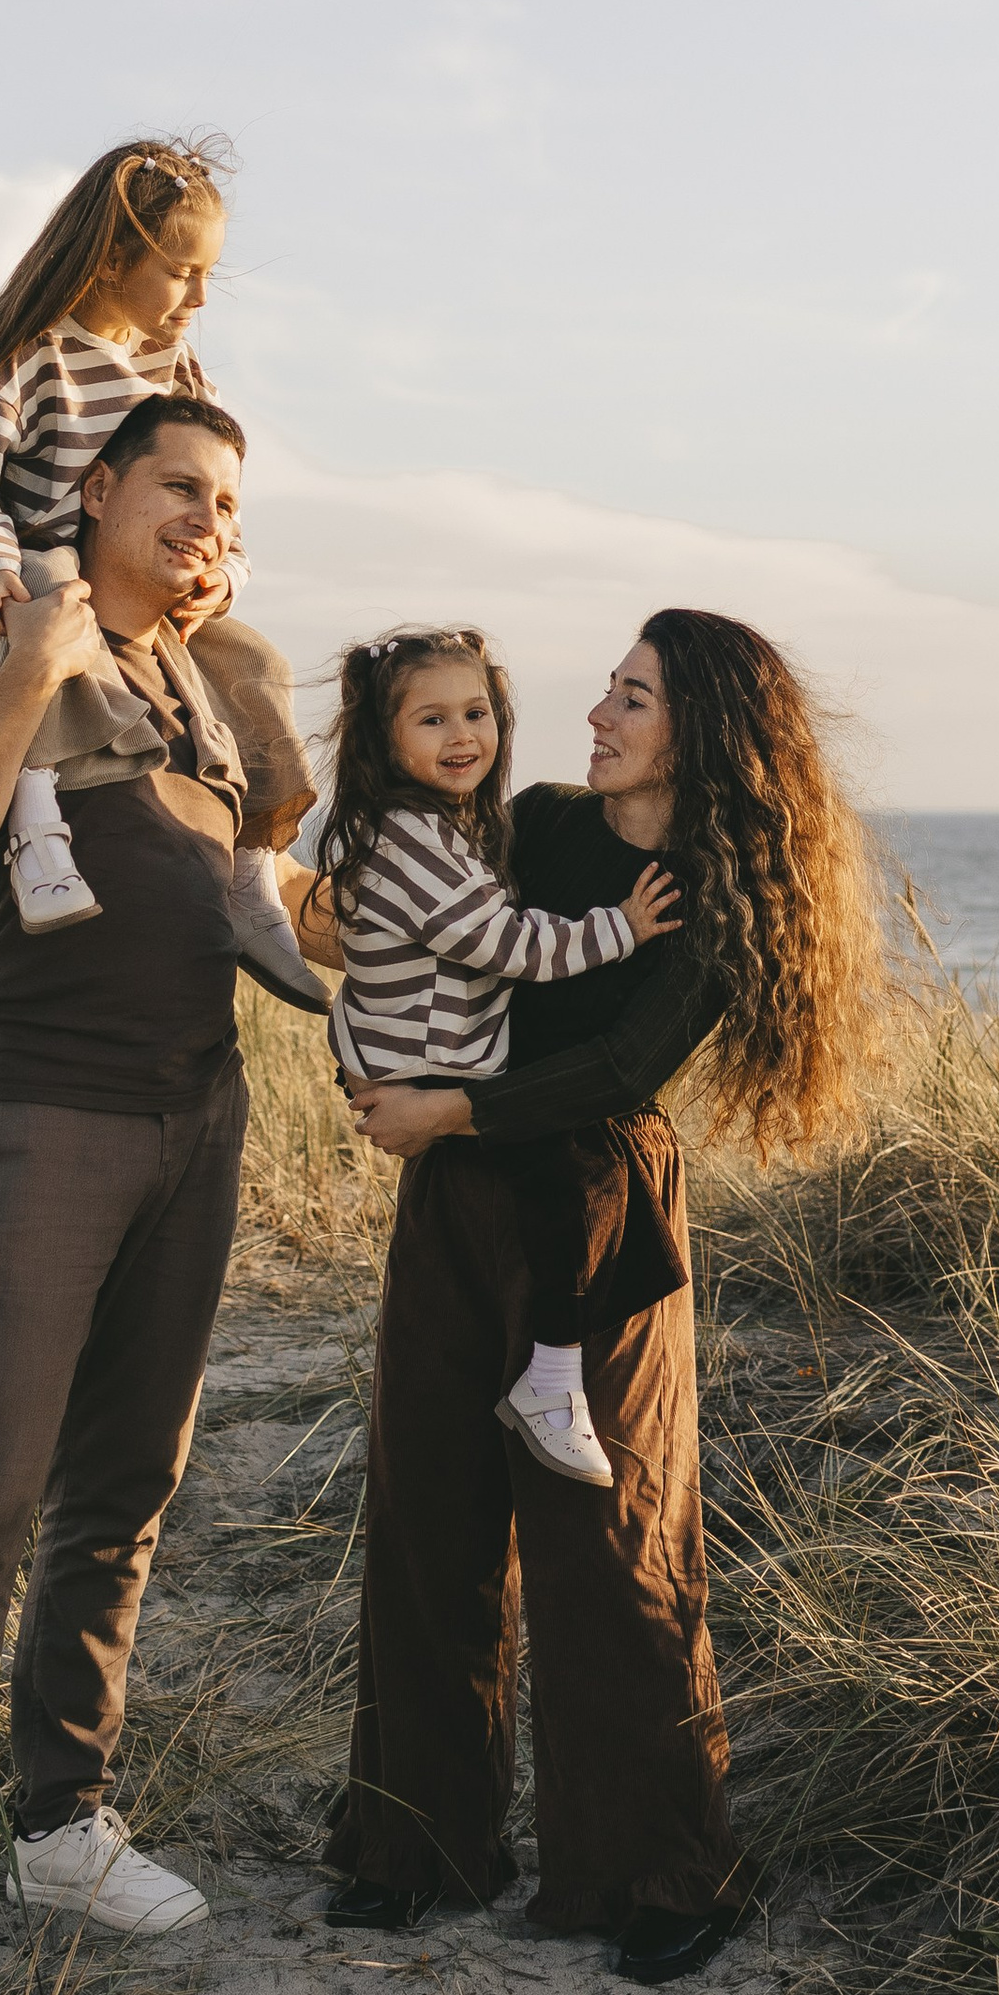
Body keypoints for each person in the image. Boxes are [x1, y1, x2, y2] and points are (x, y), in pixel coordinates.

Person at [0, 392, 319, 1995]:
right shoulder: (8, 643)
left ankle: (59, 1825)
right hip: (40, 1116)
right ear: (96, 488)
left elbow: (252, 899)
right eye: (180, 486)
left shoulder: (204, 686)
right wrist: (35, 666)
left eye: (230, 505)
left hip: (199, 1118)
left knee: (124, 1489)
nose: (208, 521)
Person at [320, 608, 886, 1985]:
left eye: (633, 696)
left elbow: (622, 1068)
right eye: (609, 689)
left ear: (702, 730)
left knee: (614, 1547)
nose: (597, 713)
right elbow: (426, 935)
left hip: (596, 1216)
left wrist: (451, 1110)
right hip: (457, 1203)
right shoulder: (540, 824)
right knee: (427, 1518)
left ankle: (658, 1872)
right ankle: (415, 1846)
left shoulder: (716, 882)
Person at [0, 134, 324, 1006]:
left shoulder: (177, 372)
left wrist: (223, 575)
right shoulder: (31, 360)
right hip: (20, 564)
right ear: (110, 262)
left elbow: (217, 500)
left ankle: (253, 866)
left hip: (134, 593)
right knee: (57, 618)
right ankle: (37, 830)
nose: (200, 298)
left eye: (208, 275)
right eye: (182, 272)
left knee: (256, 662)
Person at [321, 626, 683, 1486]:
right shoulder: (446, 834)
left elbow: (624, 1063)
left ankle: (552, 1379)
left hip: (452, 1079)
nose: (462, 736)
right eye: (432, 720)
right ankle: (551, 1381)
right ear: (386, 741)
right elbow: (509, 944)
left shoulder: (452, 829)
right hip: (439, 1082)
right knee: (562, 1183)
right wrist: (621, 929)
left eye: (476, 713)